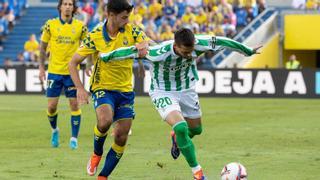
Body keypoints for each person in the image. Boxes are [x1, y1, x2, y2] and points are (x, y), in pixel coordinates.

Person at [98, 28, 261, 180]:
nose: (189, 55)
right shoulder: (158, 52)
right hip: (163, 91)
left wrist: (247, 50)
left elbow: (223, 41)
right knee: (181, 127)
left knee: (196, 129)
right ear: (176, 46)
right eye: (185, 52)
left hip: (187, 89)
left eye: (191, 52)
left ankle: (177, 139)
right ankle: (198, 172)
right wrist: (104, 56)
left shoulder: (199, 44)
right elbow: (128, 51)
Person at [68, 0, 149, 179]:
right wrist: (80, 88)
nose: (127, 21)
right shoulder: (95, 35)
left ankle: (103, 176)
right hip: (103, 87)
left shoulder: (132, 30)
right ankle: (97, 153)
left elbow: (145, 42)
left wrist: (144, 47)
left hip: (126, 92)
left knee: (121, 137)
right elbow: (72, 63)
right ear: (110, 15)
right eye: (124, 17)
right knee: (105, 121)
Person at [38, 0, 88, 149]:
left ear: (73, 8)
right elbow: (42, 48)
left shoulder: (80, 27)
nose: (67, 6)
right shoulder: (50, 25)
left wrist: (90, 64)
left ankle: (74, 138)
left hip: (72, 73)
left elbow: (88, 47)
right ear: (60, 7)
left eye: (70, 4)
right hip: (54, 71)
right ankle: (55, 130)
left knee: (74, 104)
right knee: (52, 107)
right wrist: (41, 67)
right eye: (65, 4)